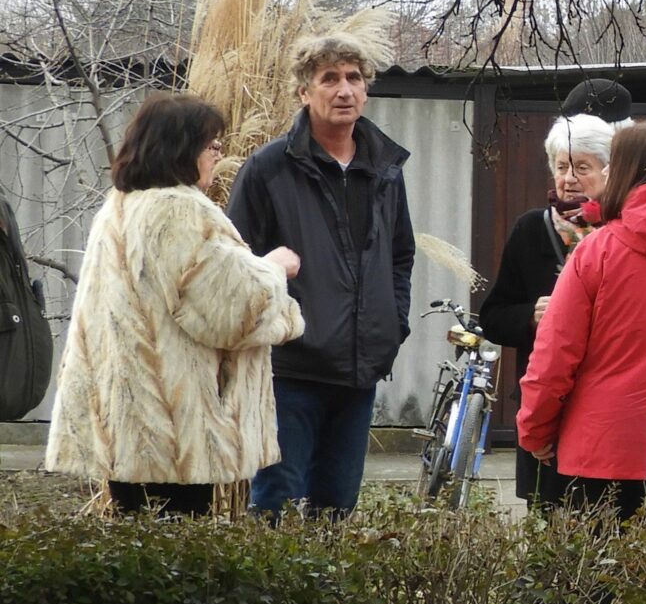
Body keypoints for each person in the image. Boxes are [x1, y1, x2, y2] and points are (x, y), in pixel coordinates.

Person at [46, 95, 304, 513]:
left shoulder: (120, 206)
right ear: (183, 149)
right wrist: (275, 268)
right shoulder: (178, 211)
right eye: (211, 146)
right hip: (171, 421)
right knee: (174, 554)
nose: (217, 156)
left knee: (138, 546)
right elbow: (229, 311)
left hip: (127, 415)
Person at [228, 33, 415, 517]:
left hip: (359, 370)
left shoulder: (385, 167)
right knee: (277, 504)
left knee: (337, 507)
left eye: (354, 78)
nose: (344, 90)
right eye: (329, 78)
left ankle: (326, 596)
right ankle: (272, 595)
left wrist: (393, 325)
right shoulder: (268, 168)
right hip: (292, 368)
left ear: (367, 89)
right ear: (303, 91)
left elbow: (400, 256)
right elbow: (236, 263)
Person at [514, 124, 646, 521]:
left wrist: (534, 431)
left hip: (599, 449)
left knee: (592, 578)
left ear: (623, 172)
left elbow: (554, 355)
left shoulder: (597, 251)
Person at [481, 86, 627, 504]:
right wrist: (531, 315)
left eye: (582, 166)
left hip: (604, 401)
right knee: (549, 519)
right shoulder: (531, 230)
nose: (569, 178)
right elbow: (493, 316)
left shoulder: (622, 232)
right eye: (562, 166)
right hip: (544, 401)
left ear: (609, 171)